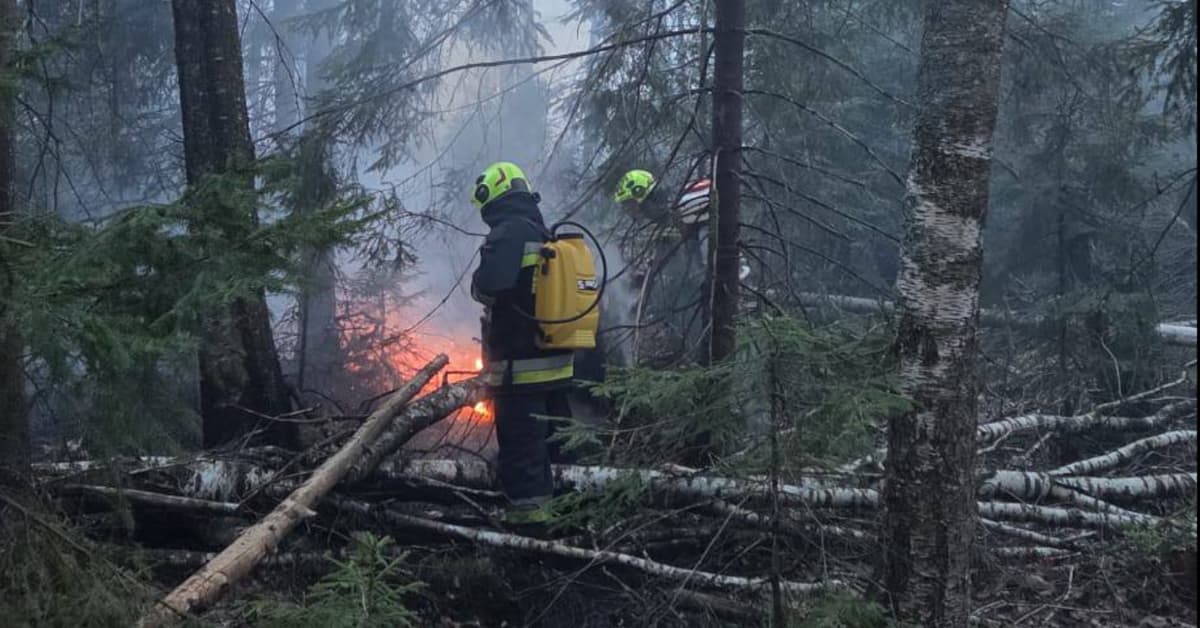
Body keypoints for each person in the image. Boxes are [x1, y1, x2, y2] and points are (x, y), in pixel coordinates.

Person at [469, 161, 574, 524]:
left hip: (521, 369)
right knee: (553, 450)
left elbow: (488, 286)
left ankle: (529, 539)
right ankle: (567, 520)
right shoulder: (541, 229)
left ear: (493, 194)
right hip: (555, 365)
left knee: (522, 458)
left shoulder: (508, 232)